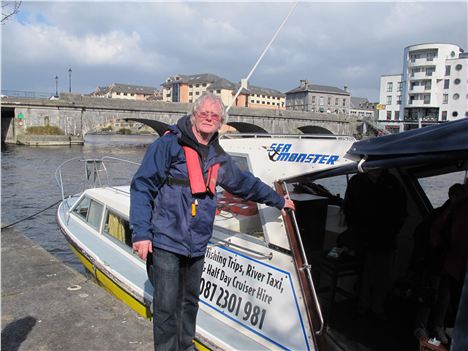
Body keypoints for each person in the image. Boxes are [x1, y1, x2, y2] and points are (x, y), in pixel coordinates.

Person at [129, 92, 295, 351]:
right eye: (203, 113)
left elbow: (243, 184)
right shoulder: (167, 145)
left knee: (189, 302)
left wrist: (278, 200)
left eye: (214, 115)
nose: (208, 118)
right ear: (193, 116)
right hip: (166, 239)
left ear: (221, 122)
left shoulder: (218, 155)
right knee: (166, 305)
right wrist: (141, 232)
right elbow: (142, 186)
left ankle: (185, 347)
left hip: (196, 242)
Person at [342, 169, 407, 320]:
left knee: (383, 275)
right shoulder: (356, 181)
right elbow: (348, 208)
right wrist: (356, 231)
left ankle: (377, 307)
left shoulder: (392, 182)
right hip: (363, 238)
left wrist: (393, 231)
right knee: (364, 274)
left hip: (387, 238)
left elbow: (401, 210)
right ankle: (362, 306)